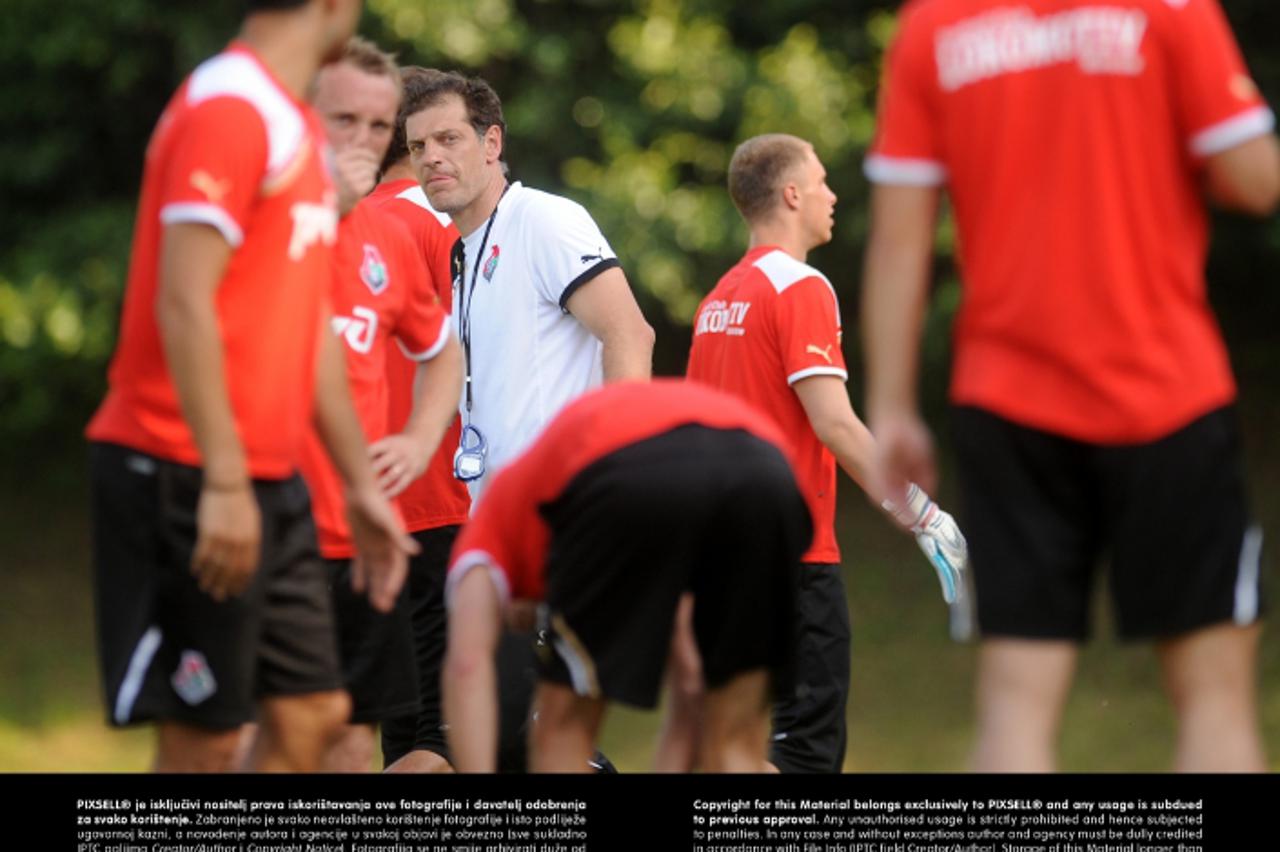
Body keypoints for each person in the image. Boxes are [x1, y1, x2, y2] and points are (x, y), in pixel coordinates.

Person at [862, 0, 1280, 772]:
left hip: (1006, 402)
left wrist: (891, 406)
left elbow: (900, 235)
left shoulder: (935, 26)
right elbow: (1254, 179)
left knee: (1014, 717)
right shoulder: (1174, 7)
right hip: (1170, 396)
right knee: (1216, 711)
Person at [85, 0, 416, 772]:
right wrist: (225, 480)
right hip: (184, 466)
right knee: (204, 735)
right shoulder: (228, 106)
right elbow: (182, 300)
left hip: (274, 478)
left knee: (315, 711)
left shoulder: (293, 128)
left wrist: (362, 487)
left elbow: (309, 333)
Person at [684, 133, 967, 773]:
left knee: (740, 748)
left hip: (725, 560)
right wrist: (923, 515)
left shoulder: (716, 302)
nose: (832, 196)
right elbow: (835, 424)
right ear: (791, 195)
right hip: (793, 558)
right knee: (804, 757)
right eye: (821, 182)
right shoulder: (801, 287)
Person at [442, 380, 812, 772]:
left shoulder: (495, 516)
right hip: (769, 470)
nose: (518, 627)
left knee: (562, 727)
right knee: (732, 742)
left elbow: (466, 664)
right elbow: (689, 687)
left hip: (628, 467)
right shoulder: (571, 502)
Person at [300, 40, 464, 772]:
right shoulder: (265, 221)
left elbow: (443, 350)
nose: (363, 140)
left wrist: (419, 436)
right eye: (345, 120)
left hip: (370, 523)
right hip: (298, 515)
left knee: (361, 734)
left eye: (376, 126)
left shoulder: (379, 231)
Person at [402, 70, 655, 498]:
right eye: (417, 146)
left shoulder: (542, 218)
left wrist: (618, 472)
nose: (430, 157)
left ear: (491, 144)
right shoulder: (464, 250)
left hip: (565, 509)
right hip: (500, 516)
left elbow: (629, 334)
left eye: (448, 139)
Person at [362, 65, 470, 773]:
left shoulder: (344, 225)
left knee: (399, 733)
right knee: (442, 736)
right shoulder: (446, 227)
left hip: (365, 511)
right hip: (446, 502)